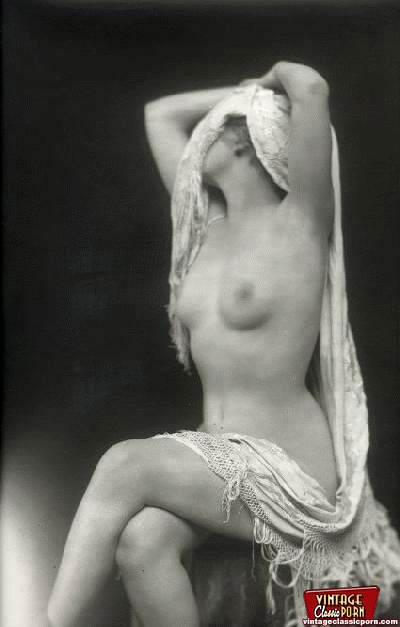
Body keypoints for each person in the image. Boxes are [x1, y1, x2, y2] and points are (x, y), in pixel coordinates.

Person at [47, 62, 400, 627]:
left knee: (124, 464)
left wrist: (265, 87)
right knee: (142, 541)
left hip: (291, 468)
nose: (194, 144)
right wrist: (242, 94)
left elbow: (310, 86)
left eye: (208, 131)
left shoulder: (301, 219)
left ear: (242, 140)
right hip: (222, 458)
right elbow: (159, 115)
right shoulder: (204, 226)